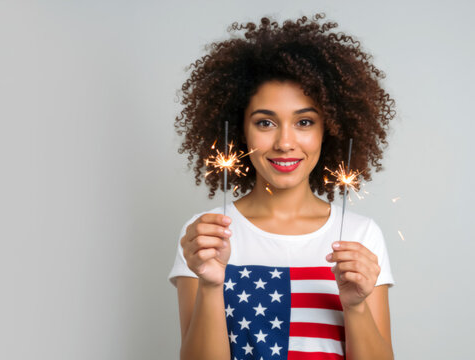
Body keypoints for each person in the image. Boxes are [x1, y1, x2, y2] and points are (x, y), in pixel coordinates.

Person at [167, 13, 397, 360]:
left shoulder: (360, 234)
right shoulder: (206, 235)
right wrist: (212, 286)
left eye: (304, 122)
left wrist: (356, 307)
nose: (285, 142)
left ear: (329, 130)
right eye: (265, 122)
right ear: (240, 130)